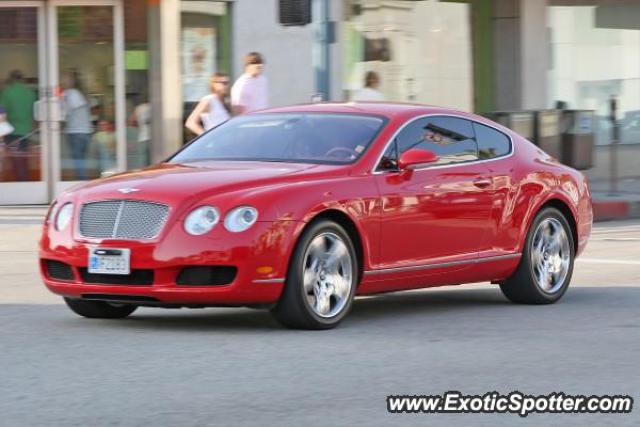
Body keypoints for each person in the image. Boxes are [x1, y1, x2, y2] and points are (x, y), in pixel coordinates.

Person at [0, 70, 37, 181]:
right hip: (26, 132)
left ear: (11, 79)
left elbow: (1, 112)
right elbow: (35, 113)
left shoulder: (7, 92)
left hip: (11, 133)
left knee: (15, 163)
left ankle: (21, 185)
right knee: (23, 161)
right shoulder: (30, 93)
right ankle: (24, 184)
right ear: (22, 79)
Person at [61, 69, 93, 180]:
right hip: (86, 132)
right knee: (81, 161)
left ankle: (82, 186)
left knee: (78, 162)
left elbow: (65, 113)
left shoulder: (71, 93)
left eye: (65, 78)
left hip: (75, 132)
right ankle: (83, 183)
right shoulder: (82, 93)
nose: (63, 80)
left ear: (71, 81)